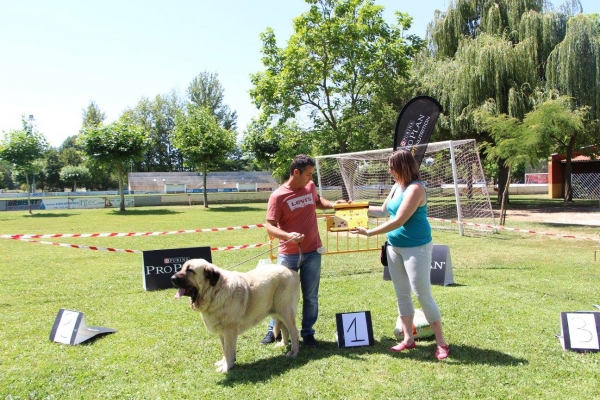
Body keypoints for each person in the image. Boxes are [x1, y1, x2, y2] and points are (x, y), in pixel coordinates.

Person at [351, 149, 449, 360]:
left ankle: (441, 342)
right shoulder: (397, 186)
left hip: (417, 248)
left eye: (392, 167)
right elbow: (384, 212)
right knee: (402, 295)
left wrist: (369, 232)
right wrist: (354, 208)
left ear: (402, 167)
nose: (389, 172)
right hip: (394, 247)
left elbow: (398, 221)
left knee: (422, 294)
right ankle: (408, 339)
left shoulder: (416, 189)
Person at [260, 154, 343, 348]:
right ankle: (273, 331)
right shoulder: (278, 196)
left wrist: (332, 204)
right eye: (308, 174)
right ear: (295, 172)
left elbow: (317, 201)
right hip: (288, 255)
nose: (311, 179)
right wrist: (288, 236)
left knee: (311, 296)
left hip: (313, 252)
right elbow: (270, 226)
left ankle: (308, 333)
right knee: (279, 296)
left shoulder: (310, 187)